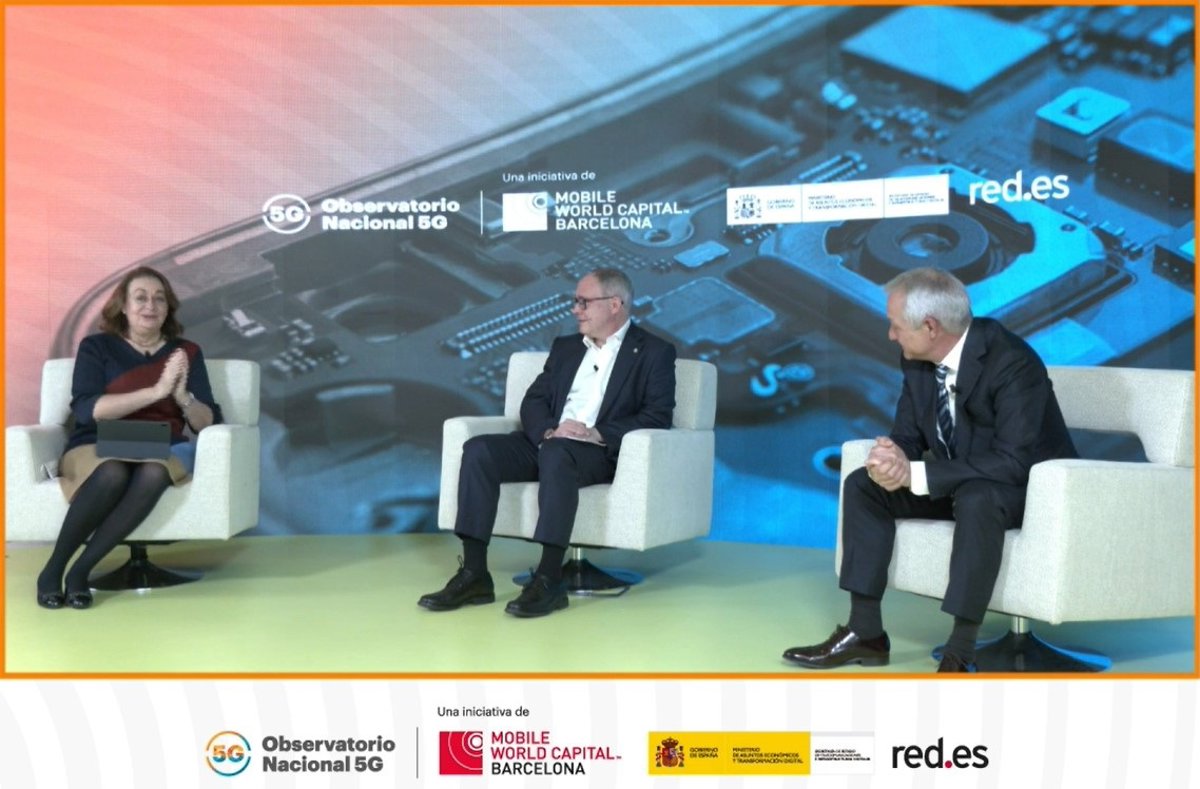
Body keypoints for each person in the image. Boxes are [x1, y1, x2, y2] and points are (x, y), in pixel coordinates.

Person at [783, 267, 1076, 672]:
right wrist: (892, 458)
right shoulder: (918, 359)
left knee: (978, 497)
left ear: (931, 326)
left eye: (896, 326)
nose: (891, 335)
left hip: (1025, 491)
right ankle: (865, 633)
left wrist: (917, 475)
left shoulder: (1011, 362)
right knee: (863, 485)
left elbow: (1013, 461)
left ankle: (961, 651)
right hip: (960, 482)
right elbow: (908, 434)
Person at [419, 268, 677, 617]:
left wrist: (596, 433)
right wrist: (549, 432)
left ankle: (549, 579)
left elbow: (657, 416)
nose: (575, 309)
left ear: (615, 304)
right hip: (550, 440)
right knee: (479, 450)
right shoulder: (566, 347)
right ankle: (474, 575)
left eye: (584, 302)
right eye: (575, 302)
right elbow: (534, 400)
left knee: (558, 454)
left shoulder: (654, 352)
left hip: (597, 453)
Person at [36, 266, 222, 610]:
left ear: (168, 308)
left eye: (159, 299)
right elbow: (88, 408)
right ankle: (52, 570)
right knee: (113, 471)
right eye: (141, 298)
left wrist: (182, 398)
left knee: (153, 471)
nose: (150, 305)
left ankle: (79, 572)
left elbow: (207, 421)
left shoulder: (186, 352)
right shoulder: (96, 347)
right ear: (123, 306)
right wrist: (156, 392)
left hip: (163, 446)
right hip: (97, 441)